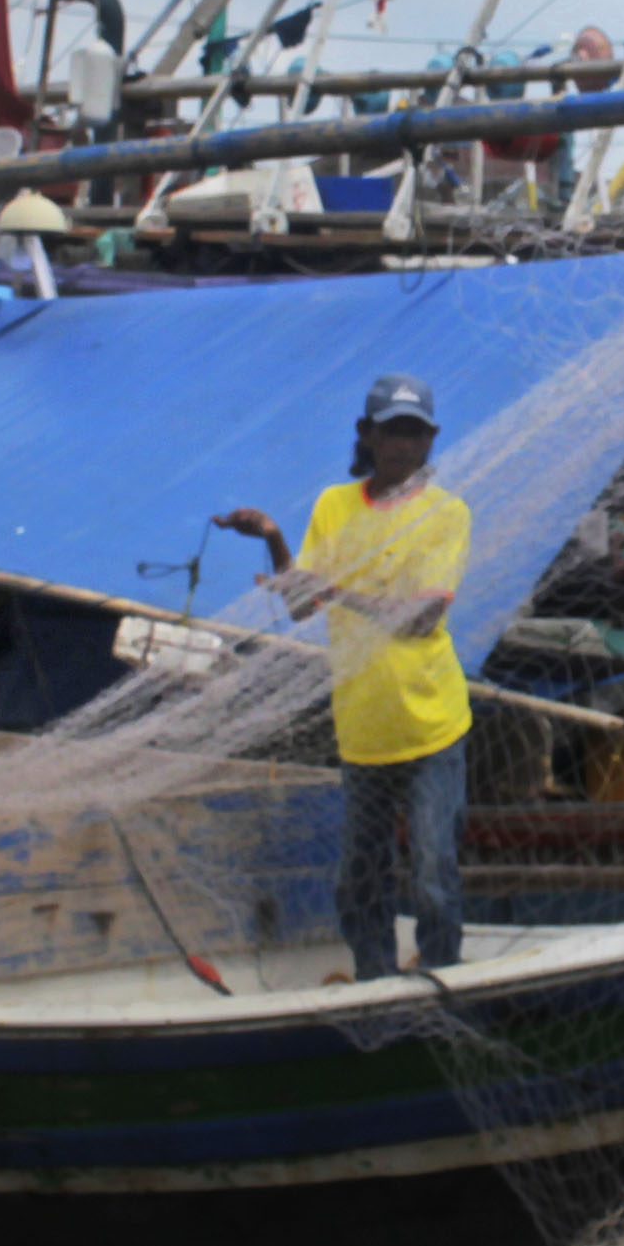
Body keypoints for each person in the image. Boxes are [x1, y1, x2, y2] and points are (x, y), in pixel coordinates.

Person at [212, 374, 473, 978]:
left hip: (433, 722)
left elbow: (420, 618)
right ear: (368, 435)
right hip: (363, 726)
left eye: (415, 432)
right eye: (392, 431)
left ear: (431, 440)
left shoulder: (447, 513)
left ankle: (443, 975)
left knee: (434, 867)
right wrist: (275, 543)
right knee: (362, 874)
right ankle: (376, 977)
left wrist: (336, 591)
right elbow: (304, 605)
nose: (404, 445)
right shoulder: (335, 505)